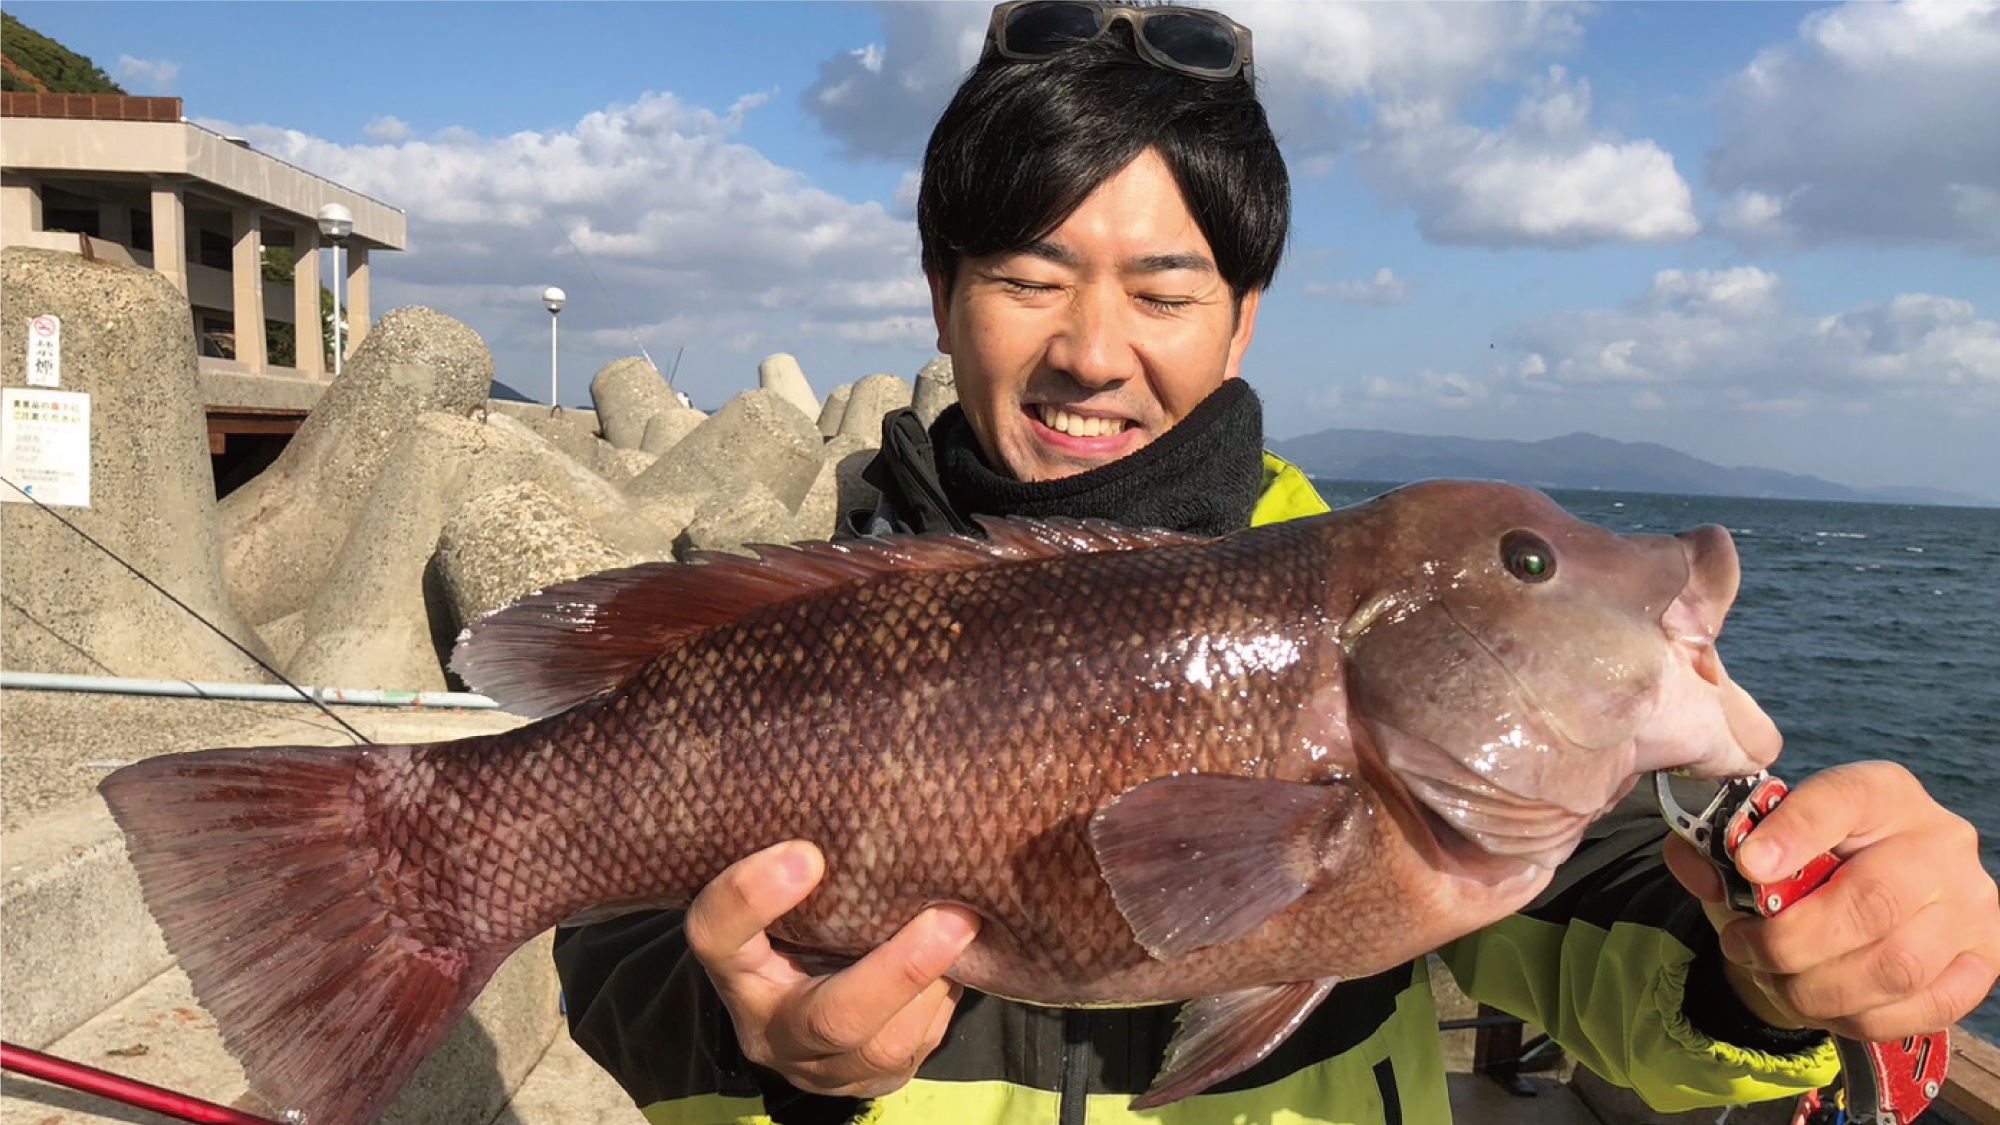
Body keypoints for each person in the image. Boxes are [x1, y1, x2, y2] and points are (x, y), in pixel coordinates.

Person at [554, 4, 2000, 1122]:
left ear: (1242, 320)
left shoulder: (1427, 700)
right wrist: (779, 1047)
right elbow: (607, 954)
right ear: (942, 297)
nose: (1090, 349)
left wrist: (1776, 972)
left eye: (1164, 287)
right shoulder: (820, 614)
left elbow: (1627, 936)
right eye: (1027, 277)